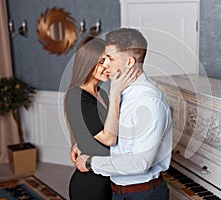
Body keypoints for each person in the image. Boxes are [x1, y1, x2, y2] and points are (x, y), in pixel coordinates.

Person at [73, 28, 173, 200]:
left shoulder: (149, 102)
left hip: (142, 194)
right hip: (118, 191)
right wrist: (83, 143)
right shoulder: (121, 93)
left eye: (110, 59)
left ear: (129, 63)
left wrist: (90, 162)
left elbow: (139, 163)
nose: (105, 65)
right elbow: (114, 137)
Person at [64, 36, 137, 200]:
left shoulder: (101, 93)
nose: (107, 66)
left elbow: (114, 127)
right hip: (91, 183)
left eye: (108, 60)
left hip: (109, 176)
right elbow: (109, 139)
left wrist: (80, 142)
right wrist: (117, 91)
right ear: (87, 63)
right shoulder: (76, 95)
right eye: (100, 62)